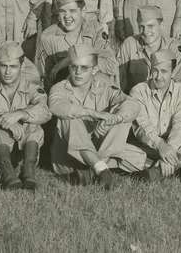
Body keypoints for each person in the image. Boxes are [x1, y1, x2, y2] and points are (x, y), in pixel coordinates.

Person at [48, 44, 142, 190]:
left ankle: (92, 171)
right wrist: (94, 114)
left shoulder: (104, 86)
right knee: (69, 117)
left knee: (122, 117)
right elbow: (56, 106)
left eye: (84, 68)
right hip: (69, 157)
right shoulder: (60, 88)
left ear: (95, 70)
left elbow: (133, 105)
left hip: (99, 150)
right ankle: (103, 170)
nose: (78, 72)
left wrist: (113, 119)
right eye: (74, 67)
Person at [0, 41, 52, 190]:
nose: (8, 72)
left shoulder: (32, 88)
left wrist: (20, 114)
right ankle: (8, 175)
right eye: (3, 66)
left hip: (26, 149)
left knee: (32, 125)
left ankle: (29, 172)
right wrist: (4, 121)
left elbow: (45, 112)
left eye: (13, 67)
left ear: (21, 67)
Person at [127, 49, 181, 182]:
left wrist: (169, 150)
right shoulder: (138, 92)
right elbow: (141, 128)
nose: (158, 76)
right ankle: (178, 166)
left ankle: (158, 170)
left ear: (173, 72)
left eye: (164, 71)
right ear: (150, 69)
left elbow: (180, 127)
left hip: (176, 146)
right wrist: (161, 145)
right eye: (155, 70)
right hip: (148, 146)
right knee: (120, 148)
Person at [35, 0, 116, 89]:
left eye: (72, 11)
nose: (67, 16)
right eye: (62, 11)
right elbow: (40, 77)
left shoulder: (96, 31)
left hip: (94, 91)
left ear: (83, 11)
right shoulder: (48, 37)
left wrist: (70, 60)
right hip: (64, 94)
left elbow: (111, 66)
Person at [116, 5, 181, 94]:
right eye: (141, 27)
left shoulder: (174, 48)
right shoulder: (129, 45)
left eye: (150, 26)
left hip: (166, 102)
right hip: (136, 101)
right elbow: (118, 82)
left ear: (161, 25)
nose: (145, 31)